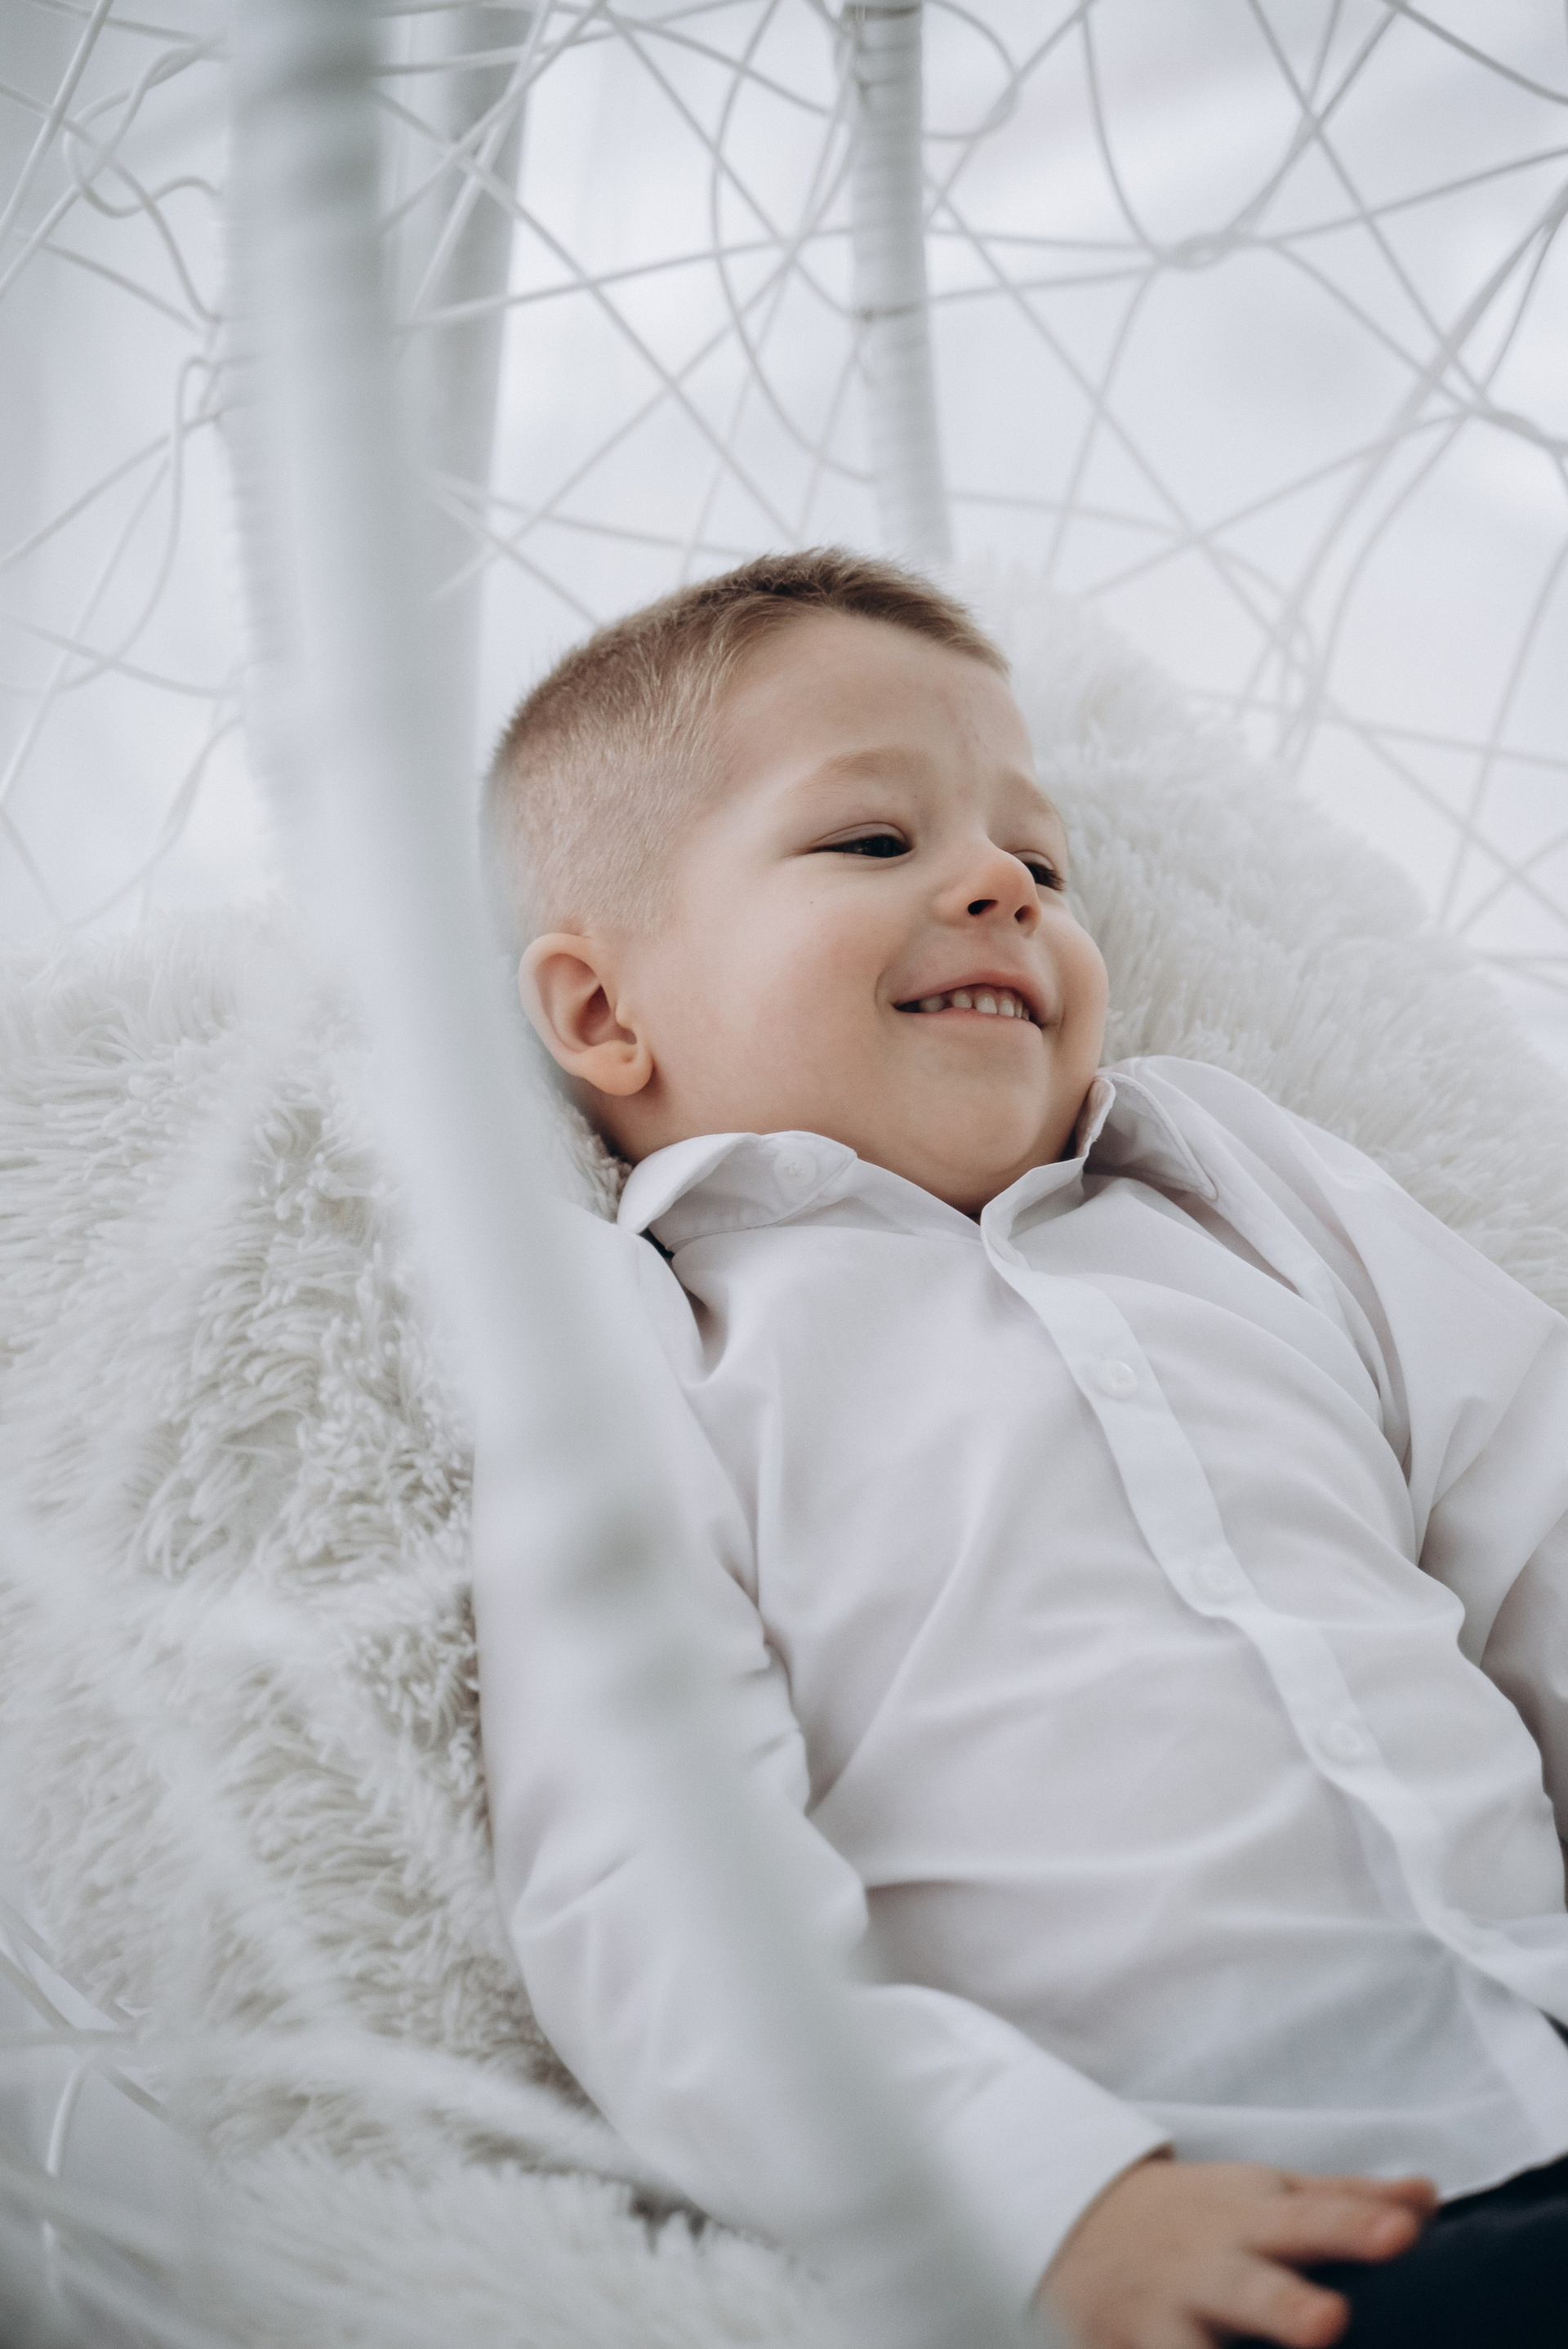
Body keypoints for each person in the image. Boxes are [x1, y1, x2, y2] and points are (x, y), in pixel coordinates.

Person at [473, 549, 1568, 2348]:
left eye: (1042, 868)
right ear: (603, 1012)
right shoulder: (654, 1340)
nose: (1000, 885)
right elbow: (658, 1889)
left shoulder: (1231, 1181)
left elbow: (1537, 1525)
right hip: (1230, 2215)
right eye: (871, 840)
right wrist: (1042, 2201)